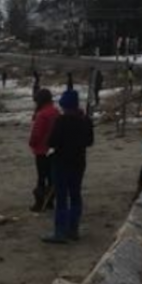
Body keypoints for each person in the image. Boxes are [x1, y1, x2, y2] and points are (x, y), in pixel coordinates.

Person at [42, 90, 94, 244]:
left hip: (61, 163)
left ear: (65, 105)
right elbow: (90, 141)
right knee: (76, 195)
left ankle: (60, 232)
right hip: (78, 162)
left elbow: (51, 142)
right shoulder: (85, 120)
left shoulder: (61, 121)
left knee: (62, 198)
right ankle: (73, 229)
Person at [29, 89, 60, 212]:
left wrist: (32, 143)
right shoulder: (55, 111)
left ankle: (40, 203)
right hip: (53, 149)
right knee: (51, 176)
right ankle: (50, 201)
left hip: (42, 150)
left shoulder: (42, 114)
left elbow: (37, 133)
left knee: (41, 177)